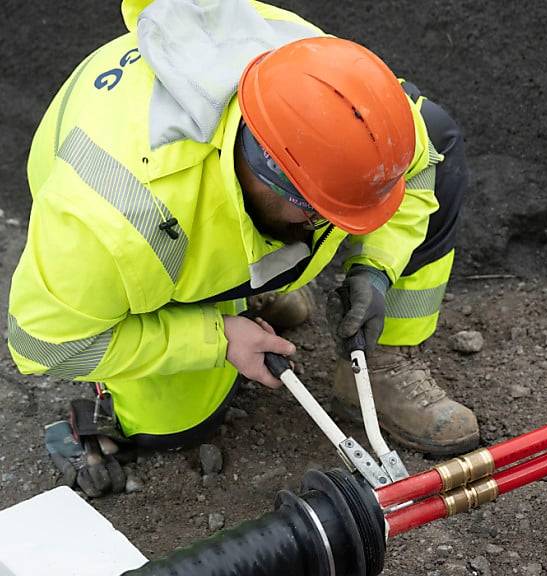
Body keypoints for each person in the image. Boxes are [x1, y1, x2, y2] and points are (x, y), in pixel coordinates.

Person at [6, 0, 478, 494]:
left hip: (228, 205)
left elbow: (422, 160)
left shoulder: (347, 106)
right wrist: (217, 338)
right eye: (321, 211)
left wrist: (376, 270)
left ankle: (377, 363)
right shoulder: (114, 224)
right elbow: (42, 343)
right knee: (174, 427)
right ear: (269, 175)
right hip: (142, 229)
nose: (334, 228)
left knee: (435, 138)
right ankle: (225, 302)